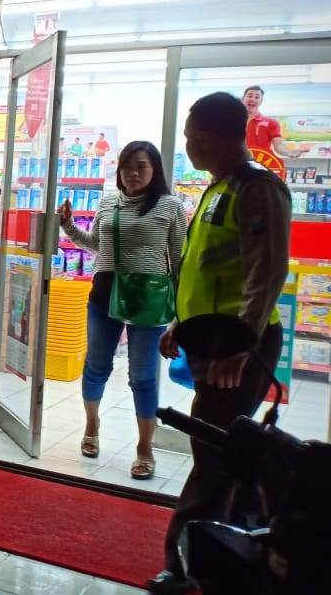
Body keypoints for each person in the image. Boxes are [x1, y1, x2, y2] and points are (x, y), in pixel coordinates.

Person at [147, 92, 291, 594]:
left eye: (190, 137)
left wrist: (240, 347)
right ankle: (237, 549)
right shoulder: (218, 188)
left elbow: (266, 273)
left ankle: (185, 566)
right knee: (225, 452)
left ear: (207, 137)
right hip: (213, 339)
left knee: (214, 456)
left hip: (238, 347)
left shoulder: (257, 188)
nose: (187, 145)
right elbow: (205, 267)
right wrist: (180, 323)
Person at [60, 141, 187, 479]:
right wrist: (68, 226)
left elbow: (179, 262)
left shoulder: (171, 206)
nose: (133, 173)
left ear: (155, 169)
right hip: (105, 293)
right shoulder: (109, 202)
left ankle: (145, 448)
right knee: (96, 366)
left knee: (142, 377)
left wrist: (179, 316)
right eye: (127, 166)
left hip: (149, 299)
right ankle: (91, 425)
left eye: (141, 166)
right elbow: (97, 245)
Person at [242, 85, 306, 159]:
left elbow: (278, 145)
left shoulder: (271, 123)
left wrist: (288, 152)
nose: (253, 99)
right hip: (237, 162)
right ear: (243, 98)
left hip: (261, 162)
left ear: (261, 101)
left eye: (257, 97)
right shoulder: (233, 121)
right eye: (250, 96)